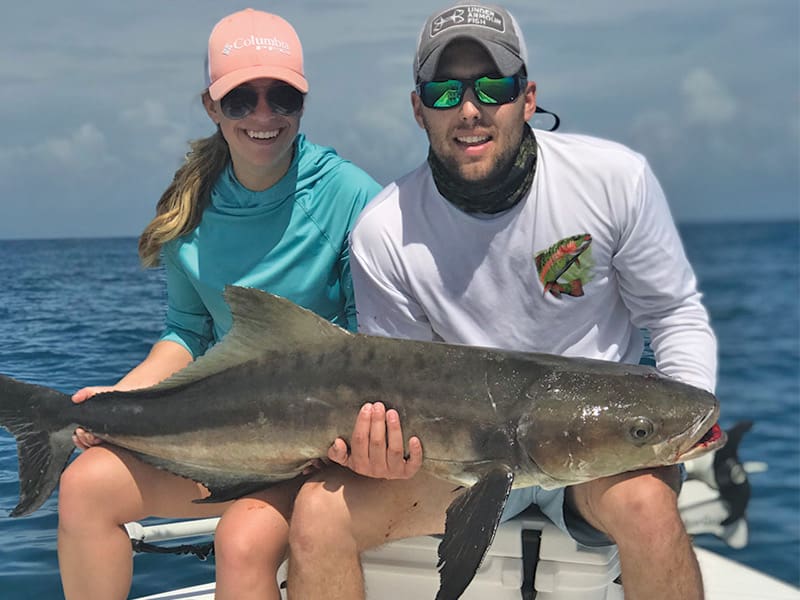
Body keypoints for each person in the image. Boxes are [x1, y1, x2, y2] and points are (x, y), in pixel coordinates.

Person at [285, 3, 718, 600]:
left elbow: (673, 313)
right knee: (317, 513)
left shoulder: (615, 181)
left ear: (528, 97)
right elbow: (395, 388)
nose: (470, 109)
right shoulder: (386, 230)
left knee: (648, 505)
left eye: (494, 87)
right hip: (451, 463)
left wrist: (679, 417)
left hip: (593, 456)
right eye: (444, 92)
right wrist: (379, 453)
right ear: (419, 108)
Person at [56, 8, 381, 600]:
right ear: (211, 106)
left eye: (281, 97)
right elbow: (185, 333)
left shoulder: (352, 197)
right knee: (84, 486)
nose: (263, 116)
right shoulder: (188, 212)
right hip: (220, 436)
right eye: (241, 101)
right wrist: (122, 396)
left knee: (243, 542)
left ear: (302, 103)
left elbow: (375, 341)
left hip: (315, 448)